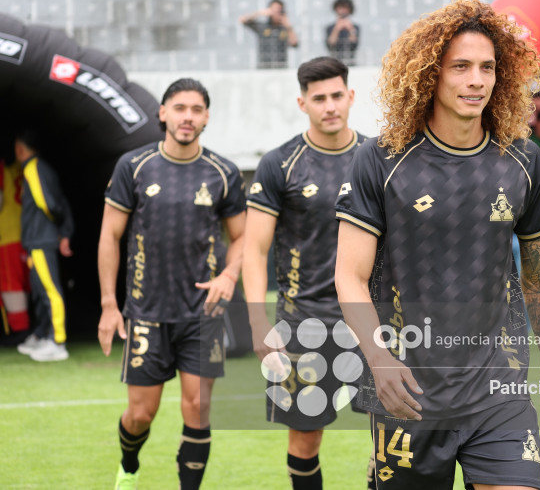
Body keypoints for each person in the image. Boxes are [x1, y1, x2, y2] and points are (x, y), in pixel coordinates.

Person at [335, 0, 540, 489]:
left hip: (498, 394)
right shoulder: (381, 161)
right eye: (460, 66)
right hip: (409, 394)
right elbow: (350, 277)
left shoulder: (523, 161)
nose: (476, 80)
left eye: (487, 67)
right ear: (430, 74)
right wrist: (379, 361)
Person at [97, 78, 247, 489]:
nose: (188, 117)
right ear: (163, 113)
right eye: (179, 108)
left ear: (206, 118)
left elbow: (242, 237)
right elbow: (110, 236)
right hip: (147, 312)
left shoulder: (223, 172)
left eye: (196, 110)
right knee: (141, 414)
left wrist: (230, 274)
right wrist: (110, 305)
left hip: (203, 315)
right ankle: (129, 465)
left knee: (198, 408)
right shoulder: (133, 166)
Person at [242, 57, 372, 490]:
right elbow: (254, 248)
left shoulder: (377, 159)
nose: (330, 106)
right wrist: (259, 323)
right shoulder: (280, 164)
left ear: (351, 96)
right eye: (319, 98)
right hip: (304, 326)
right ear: (303, 103)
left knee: (392, 437)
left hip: (372, 322)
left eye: (337, 95)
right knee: (304, 442)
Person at [16, 132, 74, 361]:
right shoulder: (40, 167)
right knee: (40, 290)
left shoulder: (33, 167)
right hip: (37, 240)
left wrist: (61, 230)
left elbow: (48, 203)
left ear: (21, 149)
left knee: (51, 290)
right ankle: (42, 335)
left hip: (42, 240)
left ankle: (57, 341)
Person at [0, 152, 30, 337]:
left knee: (11, 285)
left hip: (7, 236)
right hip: (25, 234)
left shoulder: (2, 169)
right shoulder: (22, 168)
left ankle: (20, 330)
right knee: (20, 284)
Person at [239, 0, 299, 69]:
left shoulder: (285, 28)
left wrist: (288, 26)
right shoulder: (262, 26)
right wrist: (259, 13)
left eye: (279, 10)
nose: (276, 13)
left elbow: (294, 44)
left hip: (281, 67)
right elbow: (242, 20)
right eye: (273, 10)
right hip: (264, 66)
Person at [325, 0, 359, 66]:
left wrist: (350, 29)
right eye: (340, 8)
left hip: (350, 61)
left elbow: (354, 43)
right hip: (334, 62)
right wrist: (337, 29)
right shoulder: (330, 27)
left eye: (345, 8)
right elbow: (330, 44)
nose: (343, 11)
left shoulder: (355, 27)